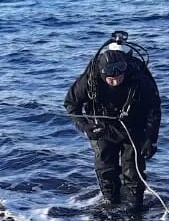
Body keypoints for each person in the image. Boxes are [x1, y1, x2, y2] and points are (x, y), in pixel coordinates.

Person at [64, 32, 162, 210]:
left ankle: (135, 211)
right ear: (102, 74)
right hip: (101, 126)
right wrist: (85, 126)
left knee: (133, 173)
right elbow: (71, 104)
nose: (115, 81)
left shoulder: (138, 76)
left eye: (119, 77)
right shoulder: (90, 79)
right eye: (111, 78)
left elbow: (154, 108)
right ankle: (110, 206)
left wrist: (151, 139)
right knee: (105, 170)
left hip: (133, 127)